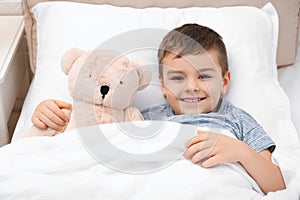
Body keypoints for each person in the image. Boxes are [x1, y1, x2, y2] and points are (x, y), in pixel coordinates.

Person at [30, 24, 285, 194]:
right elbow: (96, 141)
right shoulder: (145, 119)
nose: (191, 87)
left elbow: (276, 184)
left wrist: (239, 151)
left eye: (204, 76)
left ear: (225, 81)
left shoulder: (237, 121)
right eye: (177, 78)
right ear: (162, 86)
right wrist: (50, 113)